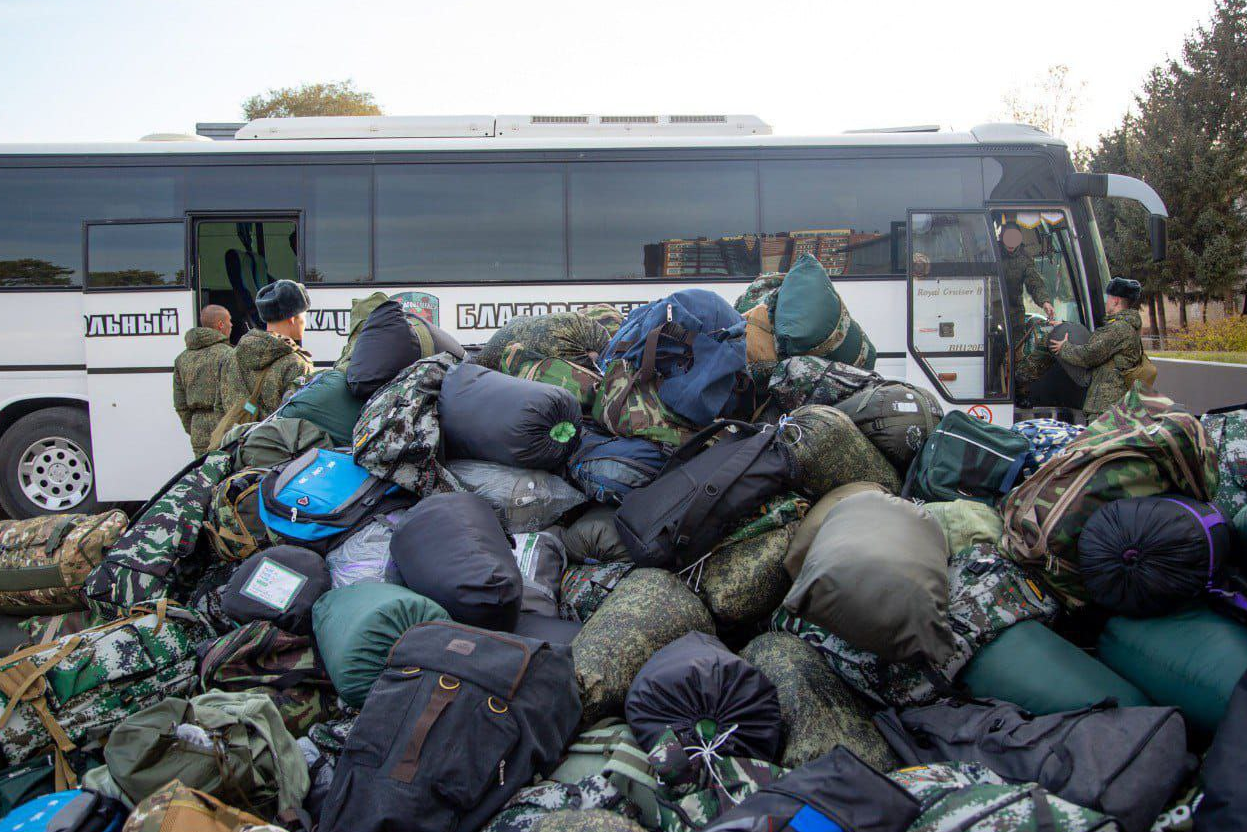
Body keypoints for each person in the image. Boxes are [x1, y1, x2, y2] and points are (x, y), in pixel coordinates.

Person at [218, 280, 314, 429]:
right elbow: (301, 420)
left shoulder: (231, 356)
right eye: (304, 315)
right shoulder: (296, 363)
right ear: (292, 318)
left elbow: (219, 407)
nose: (305, 322)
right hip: (278, 448)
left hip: (238, 447)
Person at [1049, 277, 1144, 420]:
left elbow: (1089, 355)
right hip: (1111, 405)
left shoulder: (1119, 328)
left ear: (1116, 301)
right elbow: (1098, 343)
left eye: (1108, 298)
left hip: (1107, 407)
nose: (1106, 302)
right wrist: (1063, 325)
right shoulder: (1123, 327)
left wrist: (1063, 348)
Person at [172, 305, 234, 456]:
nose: (232, 325)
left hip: (197, 427)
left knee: (204, 475)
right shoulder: (229, 354)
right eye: (229, 321)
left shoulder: (182, 358)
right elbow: (238, 397)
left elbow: (180, 404)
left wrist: (193, 427)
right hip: (225, 427)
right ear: (221, 325)